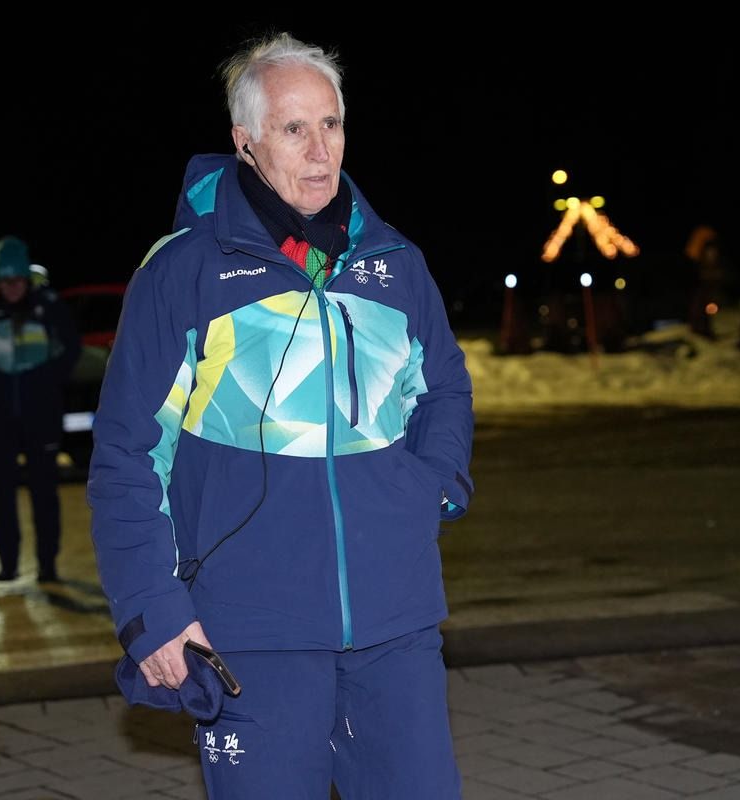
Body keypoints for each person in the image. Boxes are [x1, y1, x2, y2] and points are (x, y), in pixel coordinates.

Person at [88, 32, 475, 798]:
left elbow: (444, 388)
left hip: (395, 623)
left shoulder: (394, 264)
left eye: (331, 124)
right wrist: (152, 609)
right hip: (250, 630)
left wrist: (430, 487)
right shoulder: (186, 272)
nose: (320, 150)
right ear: (246, 142)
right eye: (294, 128)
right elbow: (128, 454)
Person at [0, 235, 81, 583]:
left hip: (40, 415)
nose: (12, 287)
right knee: (1, 494)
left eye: (17, 280)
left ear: (27, 278)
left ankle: (47, 565)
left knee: (44, 493)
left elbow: (71, 348)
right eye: (5, 280)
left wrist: (46, 381)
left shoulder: (47, 308)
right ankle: (8, 564)